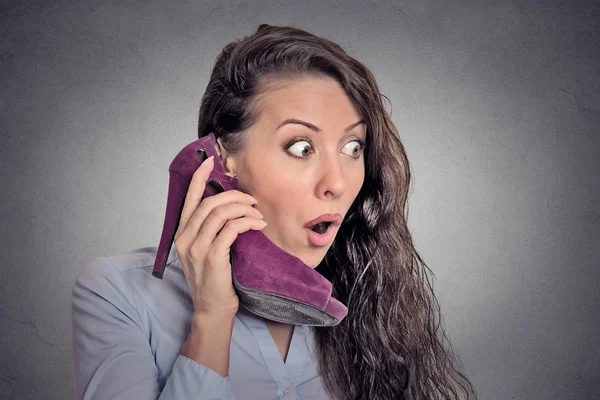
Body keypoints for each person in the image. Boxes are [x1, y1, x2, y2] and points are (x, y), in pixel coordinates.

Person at [71, 24, 478, 400]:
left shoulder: (370, 294)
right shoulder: (117, 293)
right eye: (301, 147)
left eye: (353, 147)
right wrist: (212, 318)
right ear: (222, 159)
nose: (336, 182)